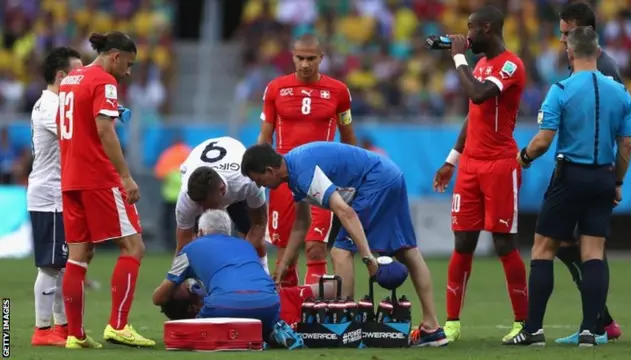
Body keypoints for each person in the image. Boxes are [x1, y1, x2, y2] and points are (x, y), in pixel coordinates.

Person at [241, 142, 448, 347]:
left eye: (258, 180)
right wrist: (284, 265)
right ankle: (432, 329)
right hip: (390, 175)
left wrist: (368, 259)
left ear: (269, 170)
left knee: (340, 252)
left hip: (376, 181)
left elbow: (345, 211)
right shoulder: (294, 170)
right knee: (406, 250)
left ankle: (347, 329)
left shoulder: (302, 172)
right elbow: (301, 223)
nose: (260, 186)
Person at [504, 27, 631, 347]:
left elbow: (543, 141)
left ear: (570, 53)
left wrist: (523, 157)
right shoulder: (620, 92)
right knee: (592, 253)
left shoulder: (561, 88)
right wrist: (616, 181)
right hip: (603, 177)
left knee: (543, 249)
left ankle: (533, 329)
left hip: (570, 176)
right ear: (598, 51)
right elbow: (627, 146)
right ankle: (591, 330)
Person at [432, 6, 528, 342]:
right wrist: (452, 160)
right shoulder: (484, 65)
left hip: (500, 164)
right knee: (462, 242)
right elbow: (473, 114)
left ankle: (523, 324)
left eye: (471, 28)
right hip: (471, 165)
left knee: (503, 243)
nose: (466, 34)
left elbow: (478, 93)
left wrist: (459, 59)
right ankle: (452, 324)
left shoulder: (510, 64)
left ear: (487, 28)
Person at [58, 32, 154, 349]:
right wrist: (125, 177)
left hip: (70, 177)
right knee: (134, 246)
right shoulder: (104, 81)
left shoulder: (72, 78)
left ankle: (75, 335)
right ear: (115, 56)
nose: (128, 71)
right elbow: (103, 128)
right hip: (98, 177)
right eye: (128, 63)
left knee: (79, 255)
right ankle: (118, 325)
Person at [257, 33, 357, 287]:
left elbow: (348, 138)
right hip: (282, 179)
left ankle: (314, 315)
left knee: (315, 248)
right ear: (292, 57)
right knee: (284, 253)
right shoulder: (275, 89)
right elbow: (265, 137)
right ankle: (287, 316)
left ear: (321, 58)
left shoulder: (339, 91)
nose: (305, 64)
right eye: (300, 58)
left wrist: (355, 175)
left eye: (311, 58)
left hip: (320, 178)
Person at [554, 2, 622, 343]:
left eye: (566, 33)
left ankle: (598, 324)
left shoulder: (603, 68)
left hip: (592, 170)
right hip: (581, 170)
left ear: (582, 32)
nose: (561, 40)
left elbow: (610, 124)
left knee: (590, 246)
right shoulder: (580, 65)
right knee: (569, 242)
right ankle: (601, 319)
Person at [152, 210, 304, 349]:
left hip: (223, 306)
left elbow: (159, 298)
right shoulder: (246, 246)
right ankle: (272, 332)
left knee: (195, 333)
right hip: (270, 304)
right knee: (258, 315)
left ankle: (249, 341)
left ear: (201, 231)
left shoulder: (189, 249)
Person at [28, 46, 83, 347]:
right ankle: (42, 329)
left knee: (61, 265)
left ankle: (61, 326)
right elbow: (76, 137)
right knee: (50, 265)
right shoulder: (51, 107)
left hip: (57, 194)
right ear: (62, 76)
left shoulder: (57, 104)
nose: (83, 78)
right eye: (78, 73)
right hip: (49, 196)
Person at [174, 136, 269, 272]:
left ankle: (263, 274)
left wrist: (240, 262)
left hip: (234, 173)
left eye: (206, 204)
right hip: (205, 167)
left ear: (222, 190)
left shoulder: (247, 182)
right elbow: (183, 245)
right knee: (198, 241)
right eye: (198, 204)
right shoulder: (187, 196)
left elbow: (259, 224)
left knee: (251, 235)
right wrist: (176, 280)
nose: (203, 210)